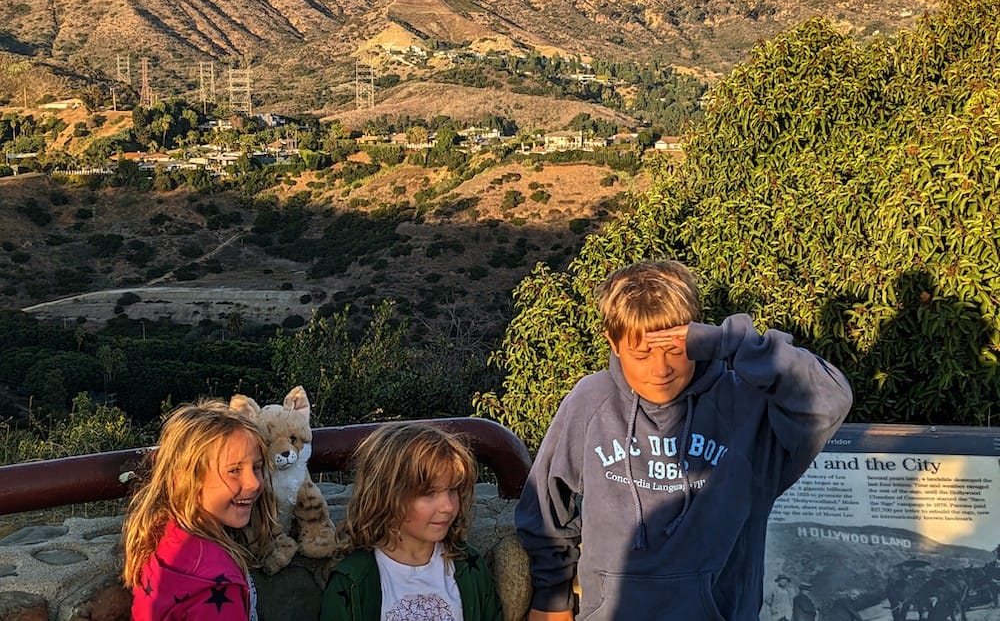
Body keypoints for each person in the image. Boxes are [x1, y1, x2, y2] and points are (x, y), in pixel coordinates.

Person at [514, 260, 853, 621]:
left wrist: (729, 341)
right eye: (642, 354)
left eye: (675, 350)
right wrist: (552, 597)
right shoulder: (591, 401)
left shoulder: (746, 407)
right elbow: (545, 503)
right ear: (613, 342)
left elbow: (831, 398)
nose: (660, 369)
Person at [320, 422, 504, 621]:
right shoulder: (351, 580)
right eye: (429, 493)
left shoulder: (469, 567)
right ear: (386, 496)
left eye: (453, 490)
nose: (448, 506)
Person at [122, 399, 283, 621]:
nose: (254, 483)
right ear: (184, 479)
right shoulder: (217, 588)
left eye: (256, 467)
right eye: (234, 470)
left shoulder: (159, 535)